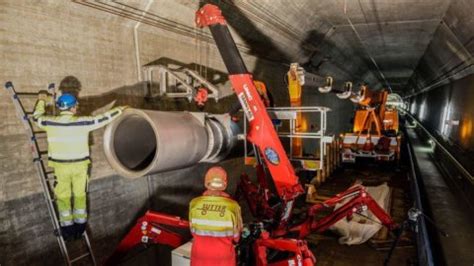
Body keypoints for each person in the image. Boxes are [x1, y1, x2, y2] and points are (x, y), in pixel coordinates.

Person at [33, 92, 127, 239]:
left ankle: (68, 230)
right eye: (76, 105)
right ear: (72, 108)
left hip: (60, 168)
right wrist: (120, 109)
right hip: (80, 167)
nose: (77, 107)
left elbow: (36, 117)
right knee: (80, 195)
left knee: (63, 197)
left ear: (60, 108)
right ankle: (80, 227)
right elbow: (103, 118)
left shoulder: (49, 122)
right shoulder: (83, 122)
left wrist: (41, 100)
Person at [189, 166, 243, 266]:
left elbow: (193, 231)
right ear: (224, 183)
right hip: (223, 260)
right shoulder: (233, 206)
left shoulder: (194, 204)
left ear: (206, 181)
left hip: (200, 258)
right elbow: (236, 237)